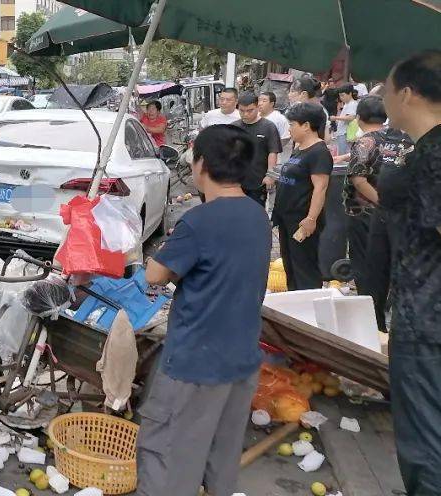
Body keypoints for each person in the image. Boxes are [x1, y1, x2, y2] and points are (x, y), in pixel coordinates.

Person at [138, 125, 270, 496]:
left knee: (168, 456)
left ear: (201, 165)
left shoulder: (199, 221)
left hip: (196, 362)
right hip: (241, 359)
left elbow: (155, 274)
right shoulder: (258, 215)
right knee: (220, 456)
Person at [380, 49, 441, 496]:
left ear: (407, 93)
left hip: (429, 322)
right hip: (422, 313)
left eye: (386, 88)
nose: (382, 96)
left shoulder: (435, 155)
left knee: (426, 441)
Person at [342, 95, 414, 332]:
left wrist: (383, 202)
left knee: (367, 269)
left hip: (366, 215)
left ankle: (372, 323)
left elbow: (358, 179)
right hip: (400, 217)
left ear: (359, 117)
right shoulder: (405, 140)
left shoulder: (366, 142)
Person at [272, 103, 333, 290]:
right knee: (291, 266)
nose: (289, 129)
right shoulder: (300, 149)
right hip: (287, 218)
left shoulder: (319, 152)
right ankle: (294, 306)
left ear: (306, 125)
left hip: (302, 220)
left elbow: (320, 188)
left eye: (292, 124)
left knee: (304, 268)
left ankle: (308, 312)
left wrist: (311, 218)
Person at [232, 92, 282, 207]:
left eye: (250, 110)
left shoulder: (268, 127)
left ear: (257, 107)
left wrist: (270, 175)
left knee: (255, 212)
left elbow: (272, 152)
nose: (245, 114)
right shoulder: (234, 127)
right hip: (236, 181)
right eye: (242, 111)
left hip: (258, 182)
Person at [260, 91, 292, 157]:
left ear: (271, 103)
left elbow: (286, 137)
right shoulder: (254, 115)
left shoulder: (279, 118)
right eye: (259, 100)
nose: (260, 103)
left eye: (264, 101)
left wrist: (273, 149)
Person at [331, 85, 359, 154]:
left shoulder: (352, 104)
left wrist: (336, 118)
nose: (341, 98)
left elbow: (350, 117)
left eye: (342, 95)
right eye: (340, 96)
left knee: (343, 155)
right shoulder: (347, 103)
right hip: (342, 132)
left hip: (345, 133)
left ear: (350, 93)